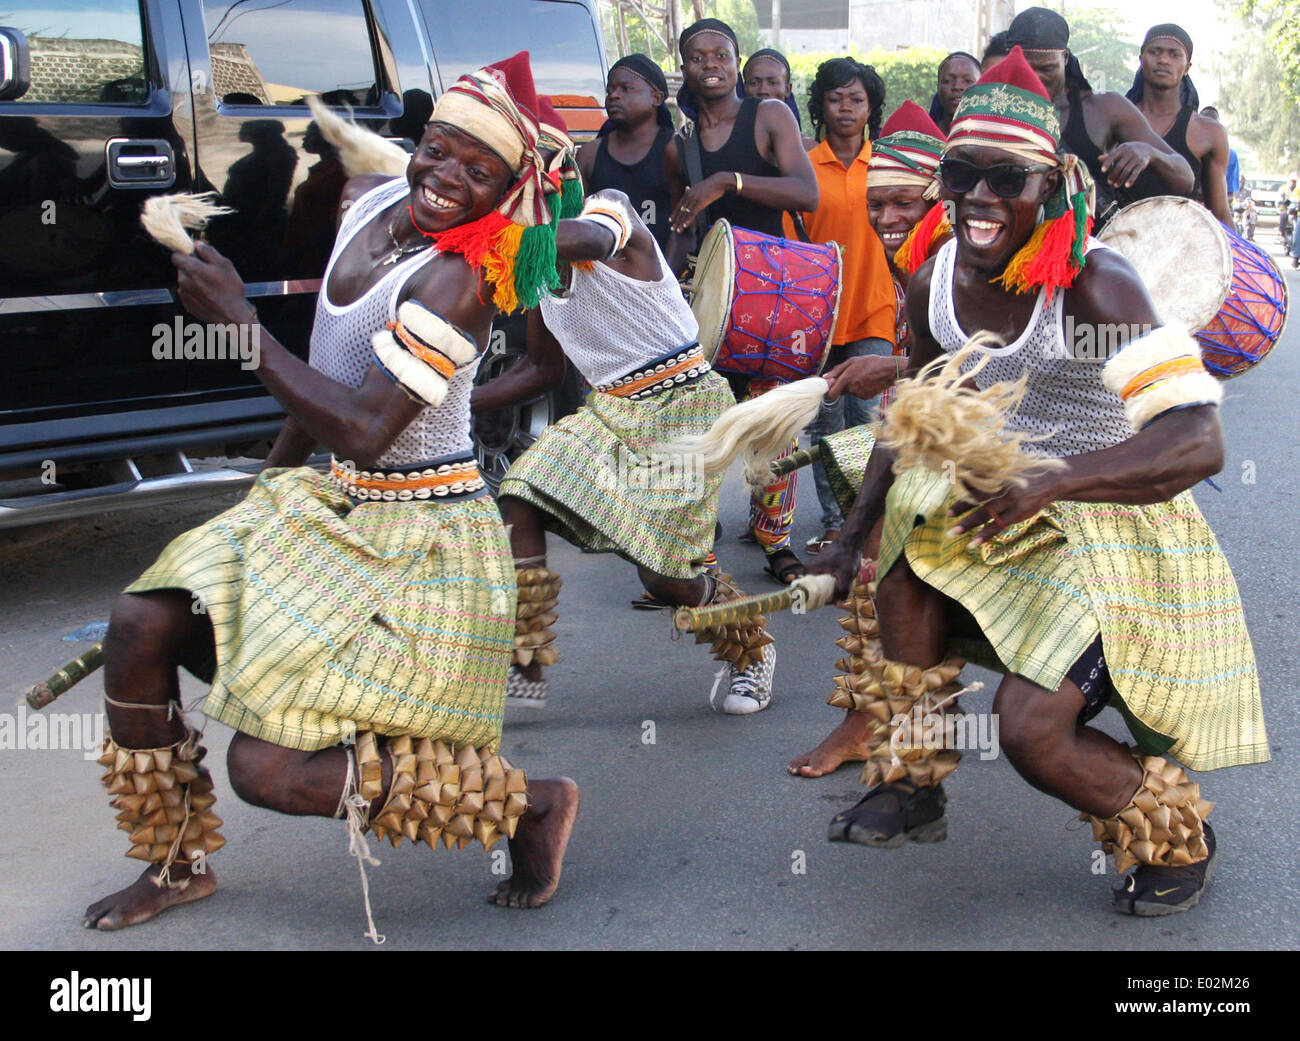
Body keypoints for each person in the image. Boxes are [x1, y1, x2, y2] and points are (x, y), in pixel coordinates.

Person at [81, 52, 582, 933]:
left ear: (508, 190)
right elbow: (324, 372)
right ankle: (173, 860)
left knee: (266, 771)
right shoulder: (370, 203)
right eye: (438, 150)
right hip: (335, 501)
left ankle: (527, 805)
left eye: (479, 171)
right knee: (141, 622)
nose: (445, 179)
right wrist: (265, 493)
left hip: (425, 542)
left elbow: (360, 425)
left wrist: (241, 330)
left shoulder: (461, 281)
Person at [809, 48, 1266, 915]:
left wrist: (1055, 482)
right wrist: (847, 538)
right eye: (962, 171)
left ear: (1050, 186)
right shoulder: (934, 280)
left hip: (1111, 519)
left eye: (1005, 176)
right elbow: (923, 412)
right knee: (902, 564)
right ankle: (913, 778)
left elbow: (1197, 438)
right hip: (1006, 504)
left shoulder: (1096, 288)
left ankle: (1175, 832)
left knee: (1027, 729)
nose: (979, 194)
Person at [489, 181, 777, 714]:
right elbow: (542, 368)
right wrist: (461, 401)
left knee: (664, 577)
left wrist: (486, 236)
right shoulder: (531, 265)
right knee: (518, 496)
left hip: (684, 404)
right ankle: (525, 663)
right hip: (610, 408)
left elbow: (593, 242)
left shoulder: (610, 209)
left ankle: (750, 646)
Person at [787, 99, 951, 778]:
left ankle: (886, 720)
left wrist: (897, 367)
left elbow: (998, 364)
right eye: (877, 204)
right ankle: (890, 718)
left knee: (882, 554)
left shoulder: (951, 256)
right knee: (875, 550)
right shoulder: (921, 256)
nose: (885, 218)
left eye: (902, 204)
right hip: (937, 422)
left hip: (1016, 452)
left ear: (937, 199)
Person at [664, 17, 819, 586]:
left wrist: (728, 180)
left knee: (773, 426)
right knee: (698, 425)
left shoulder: (768, 116)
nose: (711, 64)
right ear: (683, 67)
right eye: (698, 56)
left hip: (771, 296)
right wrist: (665, 287)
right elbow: (680, 224)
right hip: (709, 300)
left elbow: (807, 191)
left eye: (721, 54)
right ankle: (695, 546)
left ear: (736, 61)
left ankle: (774, 539)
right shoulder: (679, 145)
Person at [788, 58, 897, 557]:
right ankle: (835, 522)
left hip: (875, 308)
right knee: (827, 423)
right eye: (836, 98)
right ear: (821, 106)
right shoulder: (802, 168)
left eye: (856, 99)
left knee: (869, 420)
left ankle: (867, 522)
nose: (846, 108)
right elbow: (793, 251)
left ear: (871, 106)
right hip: (819, 318)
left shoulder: (891, 165)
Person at [1006, 6, 1194, 229]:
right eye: (1025, 68)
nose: (1035, 78)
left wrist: (1149, 153)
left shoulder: (1103, 108)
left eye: (1046, 68)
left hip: (1093, 253)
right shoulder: (993, 111)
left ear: (1065, 58)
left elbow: (1185, 179)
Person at [1127, 25, 1235, 226]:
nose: (1163, 60)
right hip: (1114, 244)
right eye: (1155, 52)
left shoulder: (1208, 132)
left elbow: (1219, 214)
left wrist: (1237, 254)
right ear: (1141, 59)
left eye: (1174, 54)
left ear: (1187, 67)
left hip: (1178, 248)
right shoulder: (1115, 117)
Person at [577, 55, 675, 249]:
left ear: (656, 98)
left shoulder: (674, 148)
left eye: (626, 88)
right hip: (603, 271)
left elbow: (684, 230)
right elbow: (577, 221)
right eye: (610, 90)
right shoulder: (589, 154)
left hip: (663, 271)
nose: (614, 95)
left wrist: (666, 277)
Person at [742, 47, 804, 131]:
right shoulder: (724, 139)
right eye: (754, 83)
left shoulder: (805, 144)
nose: (763, 91)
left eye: (772, 83)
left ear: (787, 90)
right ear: (744, 88)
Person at [928, 51, 981, 136]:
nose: (957, 86)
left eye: (967, 81)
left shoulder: (994, 138)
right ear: (938, 87)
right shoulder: (922, 138)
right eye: (947, 81)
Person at [1203, 107, 1243, 205]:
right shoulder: (1188, 150)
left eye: (1213, 126)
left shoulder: (1231, 156)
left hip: (1218, 210)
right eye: (1204, 125)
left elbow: (1230, 196)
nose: (1209, 130)